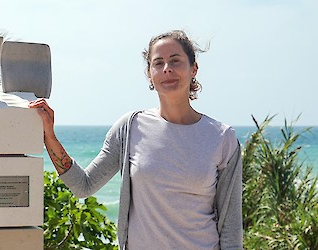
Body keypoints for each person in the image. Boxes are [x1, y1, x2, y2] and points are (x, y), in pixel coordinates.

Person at [29, 30, 242, 250]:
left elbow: (231, 228)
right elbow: (84, 186)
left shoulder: (222, 138)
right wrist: (49, 137)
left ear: (193, 69)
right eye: (158, 63)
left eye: (175, 60)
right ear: (149, 74)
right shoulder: (130, 127)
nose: (167, 68)